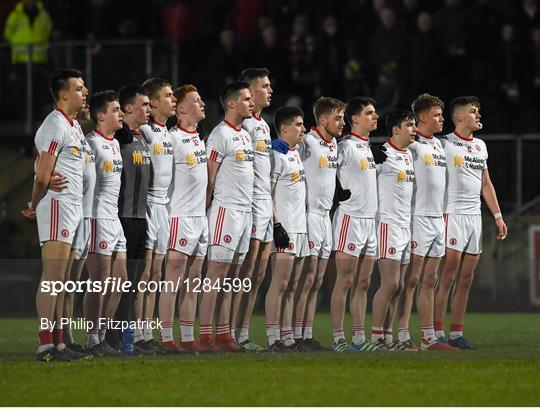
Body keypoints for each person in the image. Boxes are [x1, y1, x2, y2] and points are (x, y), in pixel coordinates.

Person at [23, 68, 88, 362]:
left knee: (63, 279)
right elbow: (42, 175)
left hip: (72, 206)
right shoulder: (54, 124)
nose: (84, 91)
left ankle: (59, 343)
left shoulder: (72, 125)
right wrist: (35, 204)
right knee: (53, 276)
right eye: (78, 87)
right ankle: (45, 344)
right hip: (57, 205)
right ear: (63, 94)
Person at [434, 96, 507, 349]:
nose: (478, 116)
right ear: (459, 117)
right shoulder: (443, 144)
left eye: (478, 111)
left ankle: (457, 333)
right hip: (451, 214)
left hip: (474, 218)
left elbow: (485, 184)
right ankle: (436, 333)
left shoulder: (480, 146)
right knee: (448, 275)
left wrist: (497, 216)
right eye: (473, 112)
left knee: (466, 278)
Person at [395, 94, 458, 351]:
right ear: (422, 118)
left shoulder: (439, 146)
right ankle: (399, 335)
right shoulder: (412, 145)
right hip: (417, 219)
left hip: (437, 219)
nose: (442, 119)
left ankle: (429, 337)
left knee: (430, 280)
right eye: (436, 115)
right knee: (410, 280)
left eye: (441, 115)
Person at [198, 81, 254, 352]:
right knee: (216, 273)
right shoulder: (220, 134)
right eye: (246, 98)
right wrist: (204, 212)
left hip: (245, 212)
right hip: (225, 210)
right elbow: (209, 179)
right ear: (231, 104)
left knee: (233, 276)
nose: (251, 102)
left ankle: (224, 334)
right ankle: (206, 336)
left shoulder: (244, 134)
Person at [158, 84, 207, 353]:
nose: (203, 104)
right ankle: (167, 337)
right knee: (173, 278)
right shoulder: (172, 139)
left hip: (200, 218)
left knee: (194, 279)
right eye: (196, 101)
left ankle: (188, 337)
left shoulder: (200, 138)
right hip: (179, 217)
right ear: (182, 108)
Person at [294, 97, 345, 351]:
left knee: (318, 280)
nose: (342, 123)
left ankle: (307, 333)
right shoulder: (308, 142)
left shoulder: (334, 143)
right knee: (307, 278)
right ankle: (293, 335)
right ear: (322, 120)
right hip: (309, 215)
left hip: (326, 217)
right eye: (337, 118)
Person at [329, 97, 380, 352]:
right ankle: (339, 338)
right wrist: (336, 192)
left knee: (364, 282)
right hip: (350, 219)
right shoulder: (345, 146)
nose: (375, 117)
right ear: (355, 119)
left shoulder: (367, 147)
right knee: (345, 281)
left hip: (370, 222)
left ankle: (359, 339)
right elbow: (326, 170)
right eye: (370, 113)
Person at [106, 84, 153, 355]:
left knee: (133, 283)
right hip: (122, 218)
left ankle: (127, 339)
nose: (149, 109)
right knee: (118, 282)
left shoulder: (143, 137)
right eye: (144, 105)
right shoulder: (118, 139)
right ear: (128, 109)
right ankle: (109, 336)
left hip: (140, 218)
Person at [231, 68, 273, 352]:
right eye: (265, 86)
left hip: (266, 204)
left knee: (257, 275)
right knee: (243, 273)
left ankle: (242, 333)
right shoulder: (243, 125)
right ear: (251, 90)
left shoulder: (264, 124)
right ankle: (229, 333)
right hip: (249, 203)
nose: (270, 91)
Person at [83, 90, 126, 357]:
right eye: (115, 110)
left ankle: (102, 335)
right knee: (98, 281)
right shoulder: (92, 144)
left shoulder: (115, 144)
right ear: (100, 116)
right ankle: (92, 339)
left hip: (114, 220)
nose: (120, 114)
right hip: (98, 218)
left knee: (120, 281)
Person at [135, 78, 176, 353]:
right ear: (153, 102)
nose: (173, 99)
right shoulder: (145, 132)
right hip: (147, 205)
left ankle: (147, 332)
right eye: (168, 95)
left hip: (164, 208)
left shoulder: (167, 133)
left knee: (157, 274)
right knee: (144, 273)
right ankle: (137, 333)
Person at [371, 108, 416, 350]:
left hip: (404, 226)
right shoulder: (382, 154)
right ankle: (377, 337)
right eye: (409, 125)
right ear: (396, 129)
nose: (414, 130)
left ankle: (388, 337)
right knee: (389, 284)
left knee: (398, 286)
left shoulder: (408, 155)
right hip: (387, 225)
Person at [264, 106, 308, 352]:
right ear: (284, 128)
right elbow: (267, 194)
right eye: (299, 125)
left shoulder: (294, 152)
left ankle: (288, 336)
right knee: (279, 284)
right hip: (285, 228)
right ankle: (272, 338)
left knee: (292, 285)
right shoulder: (275, 155)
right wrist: (277, 224)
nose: (303, 129)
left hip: (300, 228)